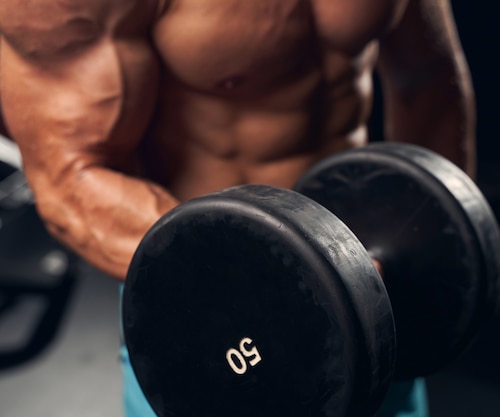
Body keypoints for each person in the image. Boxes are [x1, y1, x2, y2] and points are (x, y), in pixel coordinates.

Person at [0, 0, 475, 416]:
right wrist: (281, 292)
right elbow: (68, 177)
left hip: (377, 294)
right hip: (214, 314)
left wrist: (426, 244)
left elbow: (427, 77)